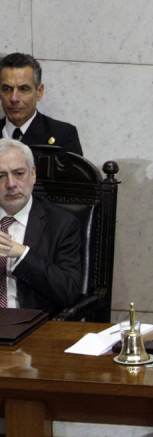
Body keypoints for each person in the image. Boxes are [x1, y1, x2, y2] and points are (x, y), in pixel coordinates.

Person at [0, 138, 83, 312]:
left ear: (33, 174)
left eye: (19, 173)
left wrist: (22, 254)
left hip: (31, 325)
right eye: (1, 176)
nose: (11, 184)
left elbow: (68, 291)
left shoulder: (62, 224)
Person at [0, 54, 81, 155]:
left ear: (39, 92)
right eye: (7, 89)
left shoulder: (63, 135)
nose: (14, 98)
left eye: (23, 89)